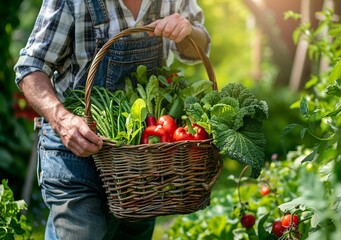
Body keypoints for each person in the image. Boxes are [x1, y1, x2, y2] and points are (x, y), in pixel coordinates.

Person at [14, 0, 210, 239]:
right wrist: (62, 119)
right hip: (75, 148)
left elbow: (199, 46)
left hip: (139, 160)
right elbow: (30, 66)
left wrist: (188, 31)